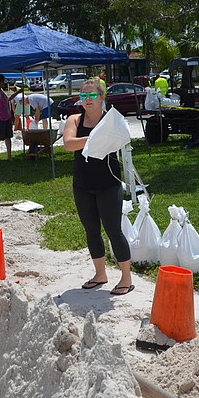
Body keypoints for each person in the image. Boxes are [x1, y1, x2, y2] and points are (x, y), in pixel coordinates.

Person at [62, 79, 134, 296]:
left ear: (101, 97)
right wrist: (94, 138)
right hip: (82, 185)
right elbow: (68, 144)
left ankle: (126, 278)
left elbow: (122, 139)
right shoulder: (74, 119)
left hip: (108, 185)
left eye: (92, 95)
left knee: (114, 230)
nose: (87, 100)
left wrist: (88, 140)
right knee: (91, 230)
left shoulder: (110, 119)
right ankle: (100, 274)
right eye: (83, 96)